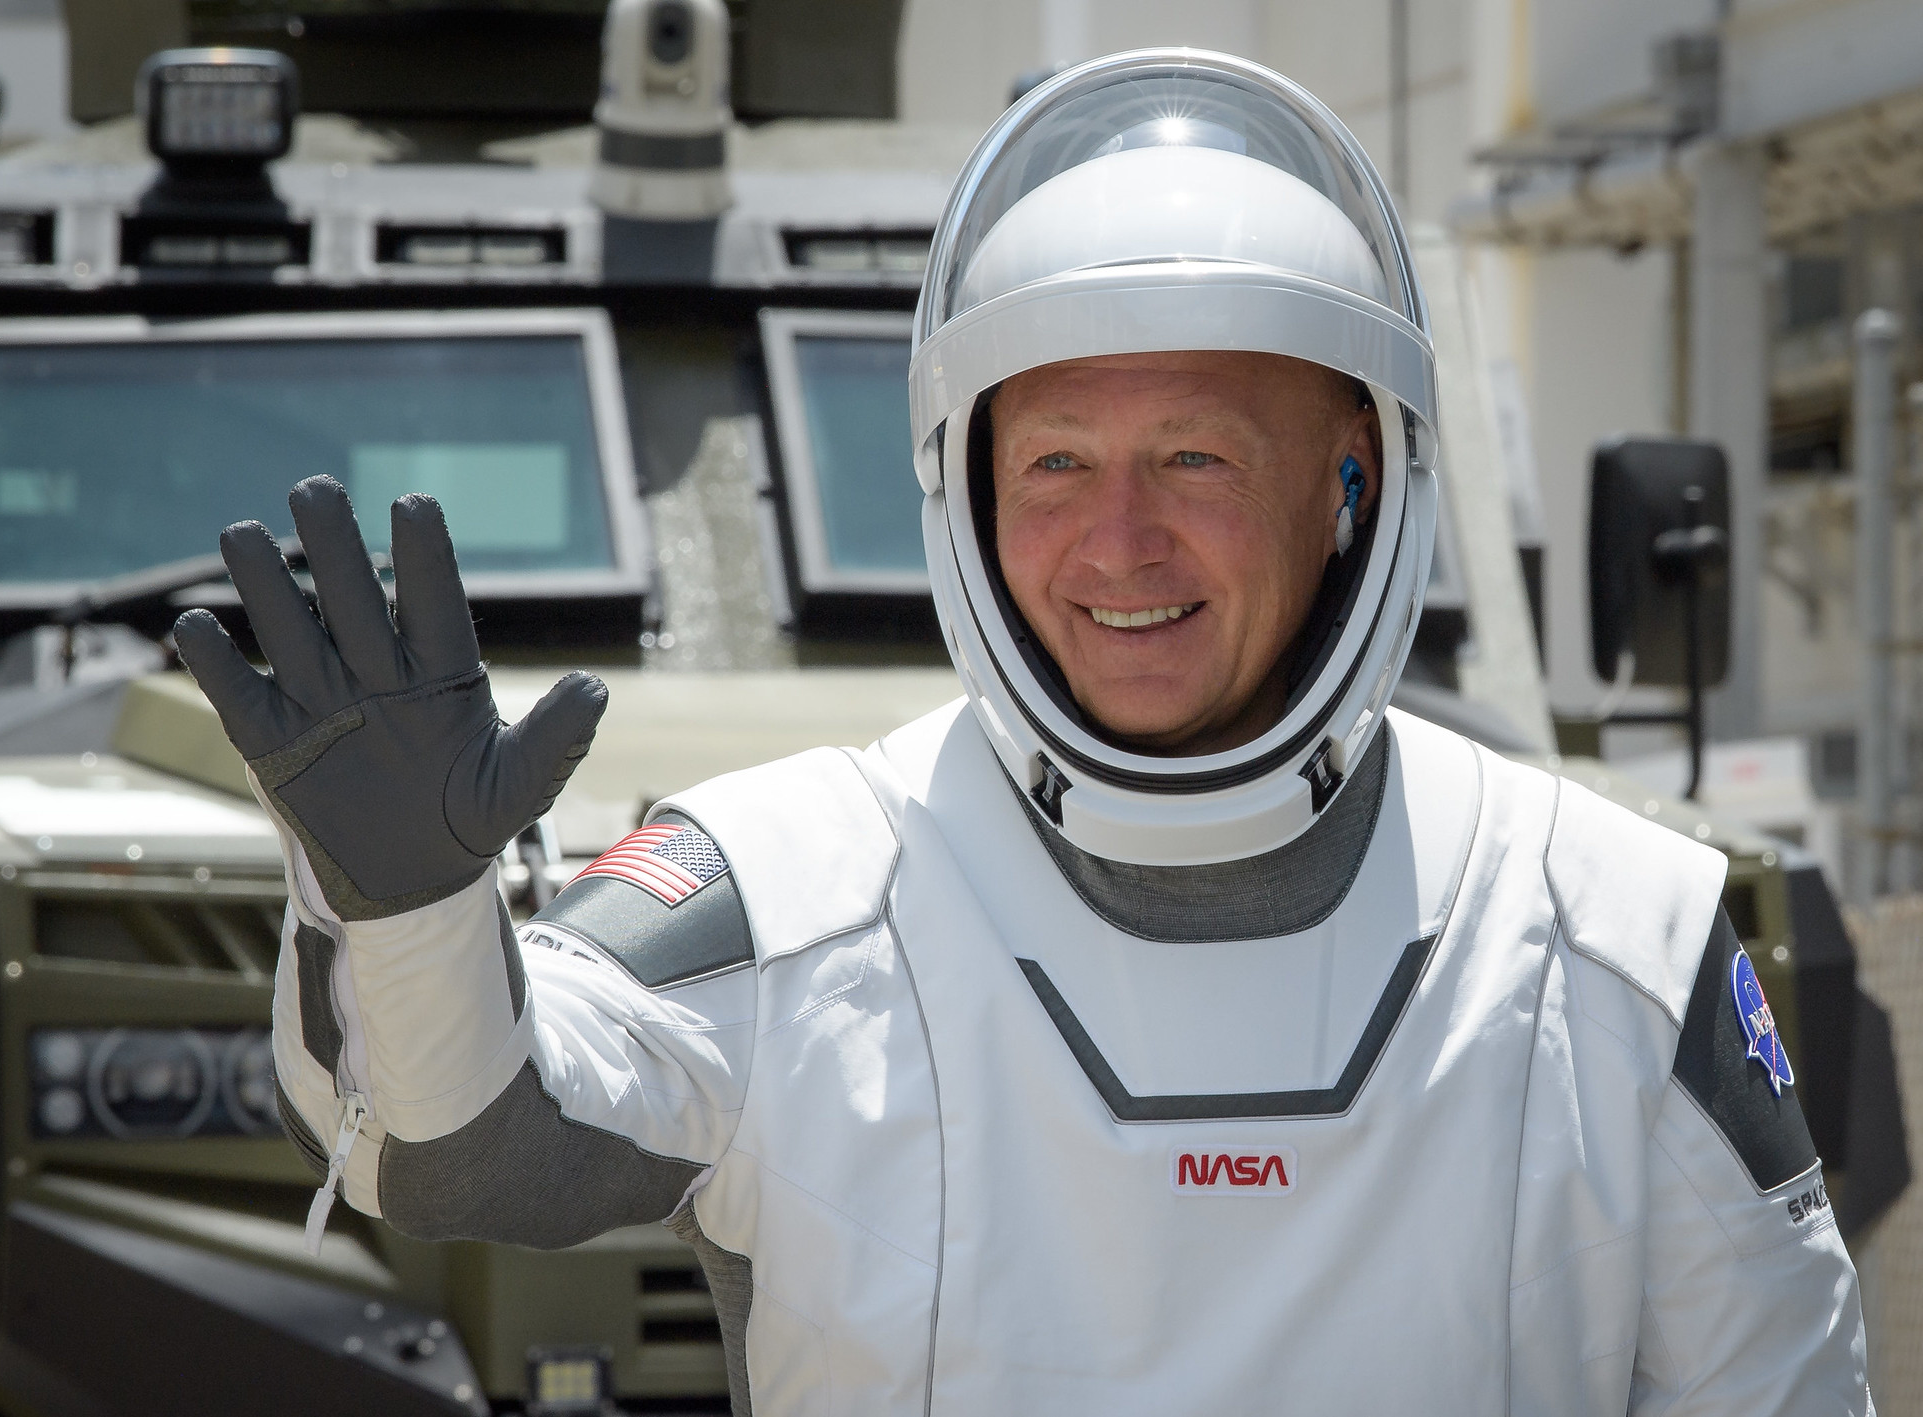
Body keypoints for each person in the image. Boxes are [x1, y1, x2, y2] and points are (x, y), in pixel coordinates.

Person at [175, 50, 1870, 1417]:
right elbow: (444, 1145)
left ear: (1356, 473)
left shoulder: (1621, 933)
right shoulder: (790, 886)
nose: (1117, 543)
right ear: (967, 491)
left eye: (1198, 456)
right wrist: (395, 912)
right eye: (1055, 461)